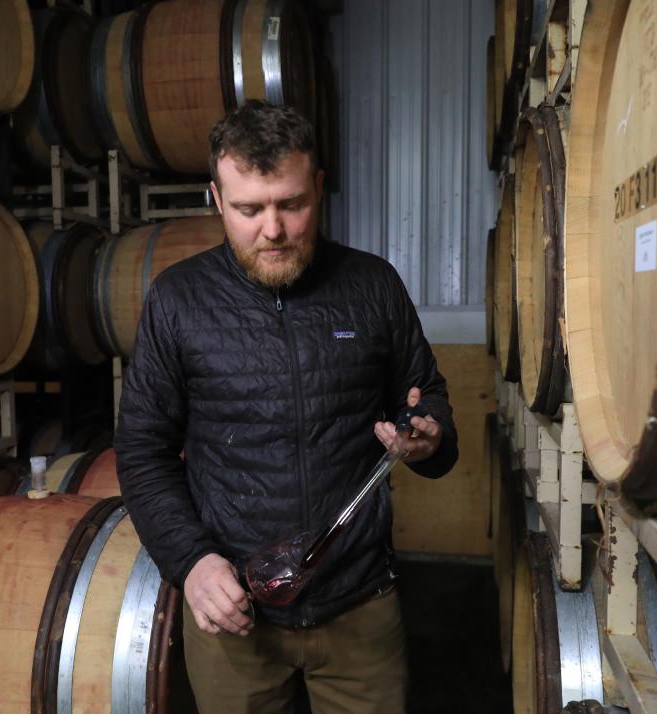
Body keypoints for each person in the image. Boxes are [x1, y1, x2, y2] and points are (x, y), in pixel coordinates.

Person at [115, 100, 458, 714]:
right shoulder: (178, 301)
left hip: (361, 608)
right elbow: (143, 452)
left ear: (319, 188)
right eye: (249, 209)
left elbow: (427, 399)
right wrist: (191, 563)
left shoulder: (372, 285)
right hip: (235, 618)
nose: (271, 230)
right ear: (217, 199)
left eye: (291, 204)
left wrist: (429, 438)